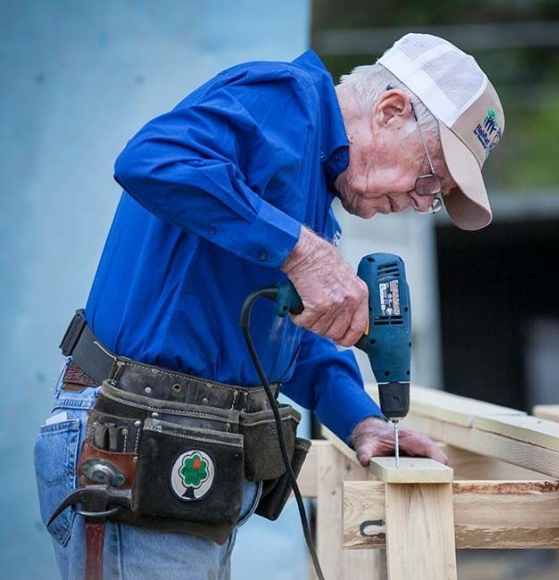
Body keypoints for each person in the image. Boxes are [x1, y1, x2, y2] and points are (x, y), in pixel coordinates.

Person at [34, 32, 504, 579]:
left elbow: (288, 339)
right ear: (390, 110)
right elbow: (152, 158)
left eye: (436, 199)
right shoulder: (284, 101)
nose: (423, 202)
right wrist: (302, 251)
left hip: (184, 460)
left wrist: (360, 420)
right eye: (431, 179)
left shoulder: (314, 200)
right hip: (132, 439)